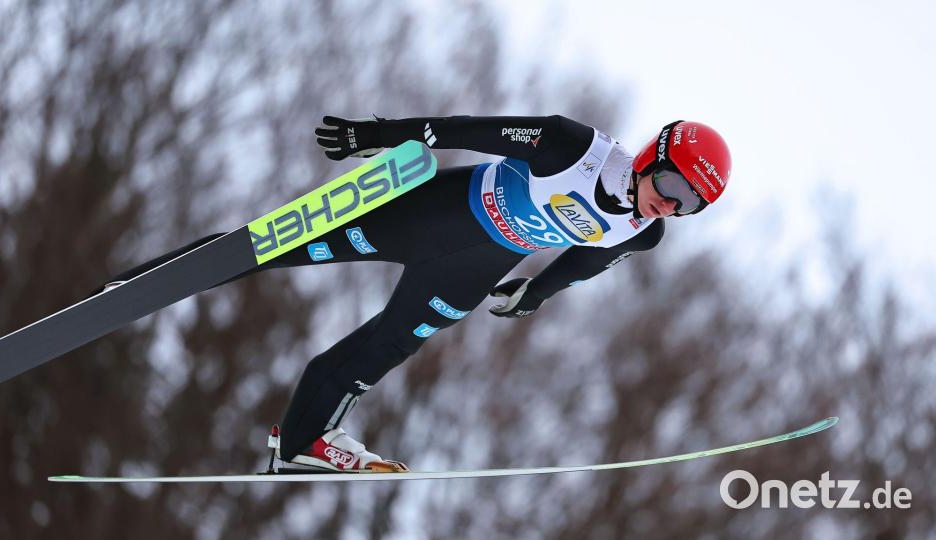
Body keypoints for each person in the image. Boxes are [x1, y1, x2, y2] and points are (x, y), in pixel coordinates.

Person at [100, 115, 732, 472]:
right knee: (273, 245)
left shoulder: (644, 232)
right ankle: (140, 284)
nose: (671, 205)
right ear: (655, 153)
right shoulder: (572, 148)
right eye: (673, 185)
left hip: (471, 270)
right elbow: (468, 130)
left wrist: (535, 293)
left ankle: (302, 441)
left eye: (690, 205)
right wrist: (375, 138)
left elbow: (588, 261)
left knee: (386, 348)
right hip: (432, 214)